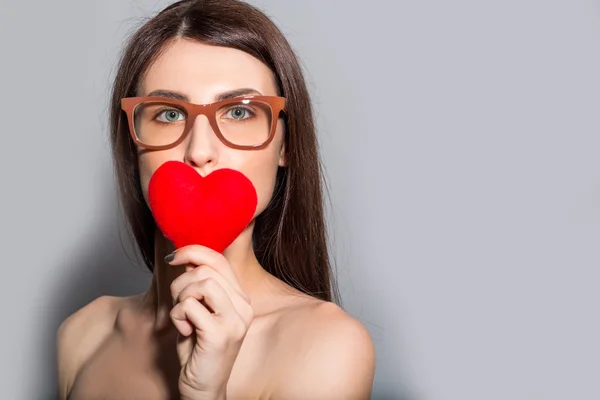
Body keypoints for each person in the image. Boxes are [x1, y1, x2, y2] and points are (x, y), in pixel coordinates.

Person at [56, 0, 376, 399]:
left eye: (239, 113)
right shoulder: (82, 335)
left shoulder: (328, 346)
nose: (200, 150)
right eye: (169, 114)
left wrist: (206, 393)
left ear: (285, 145)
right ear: (131, 142)